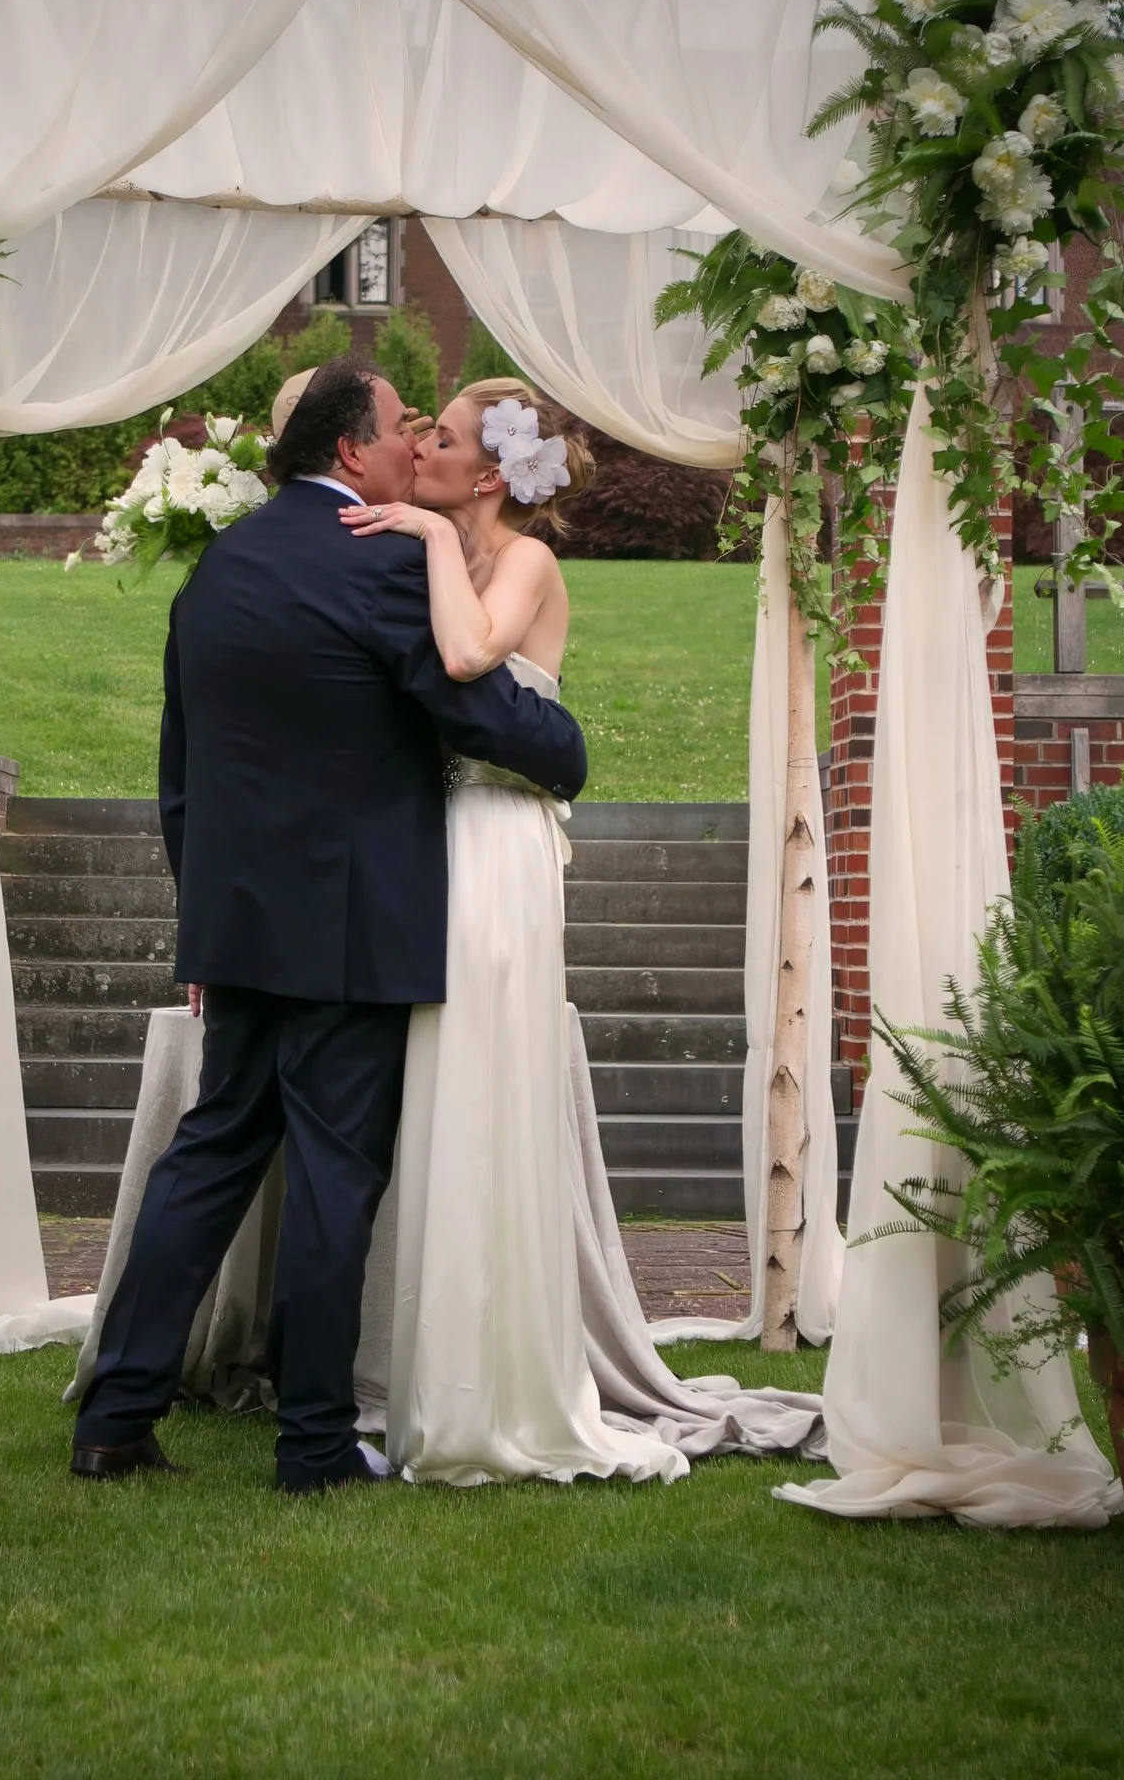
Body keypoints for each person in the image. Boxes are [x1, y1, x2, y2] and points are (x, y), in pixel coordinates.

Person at [71, 358, 588, 1494]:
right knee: (332, 1180)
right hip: (349, 930)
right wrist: (567, 751)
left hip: (240, 923)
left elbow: (181, 771)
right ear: (350, 454)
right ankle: (312, 1444)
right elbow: (477, 705)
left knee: (206, 1157)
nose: (415, 443)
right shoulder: (379, 555)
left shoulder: (217, 570)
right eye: (403, 427)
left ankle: (113, 1416)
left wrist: (200, 923)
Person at [343, 378, 820, 1484]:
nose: (422, 447)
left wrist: (415, 533)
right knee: (427, 1081)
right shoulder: (434, 552)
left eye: (443, 440)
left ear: (492, 475)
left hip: (502, 840)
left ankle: (497, 1382)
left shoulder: (522, 563)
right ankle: (416, 1364)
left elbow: (468, 662)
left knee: (484, 1077)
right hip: (428, 836)